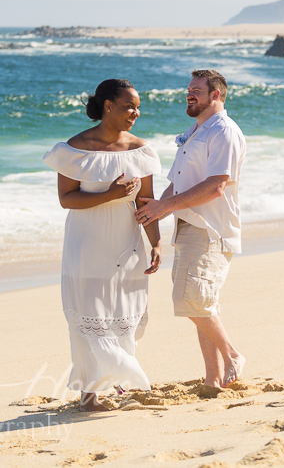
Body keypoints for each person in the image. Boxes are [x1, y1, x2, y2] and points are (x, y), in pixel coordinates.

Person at [43, 78, 162, 411]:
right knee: (90, 316)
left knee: (122, 313)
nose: (135, 113)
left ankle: (117, 384)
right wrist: (110, 195)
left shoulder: (141, 150)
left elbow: (147, 202)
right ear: (107, 106)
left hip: (127, 244)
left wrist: (156, 243)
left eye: (138, 107)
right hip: (86, 245)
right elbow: (67, 199)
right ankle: (91, 394)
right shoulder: (74, 149)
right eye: (128, 106)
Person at [135, 69, 246, 387]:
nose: (189, 94)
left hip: (211, 229)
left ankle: (233, 355)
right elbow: (177, 183)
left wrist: (162, 207)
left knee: (192, 299)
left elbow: (215, 186)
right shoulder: (196, 130)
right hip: (188, 225)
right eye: (188, 89)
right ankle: (213, 379)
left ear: (216, 95)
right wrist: (153, 214)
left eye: (197, 89)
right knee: (202, 302)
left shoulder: (223, 131)